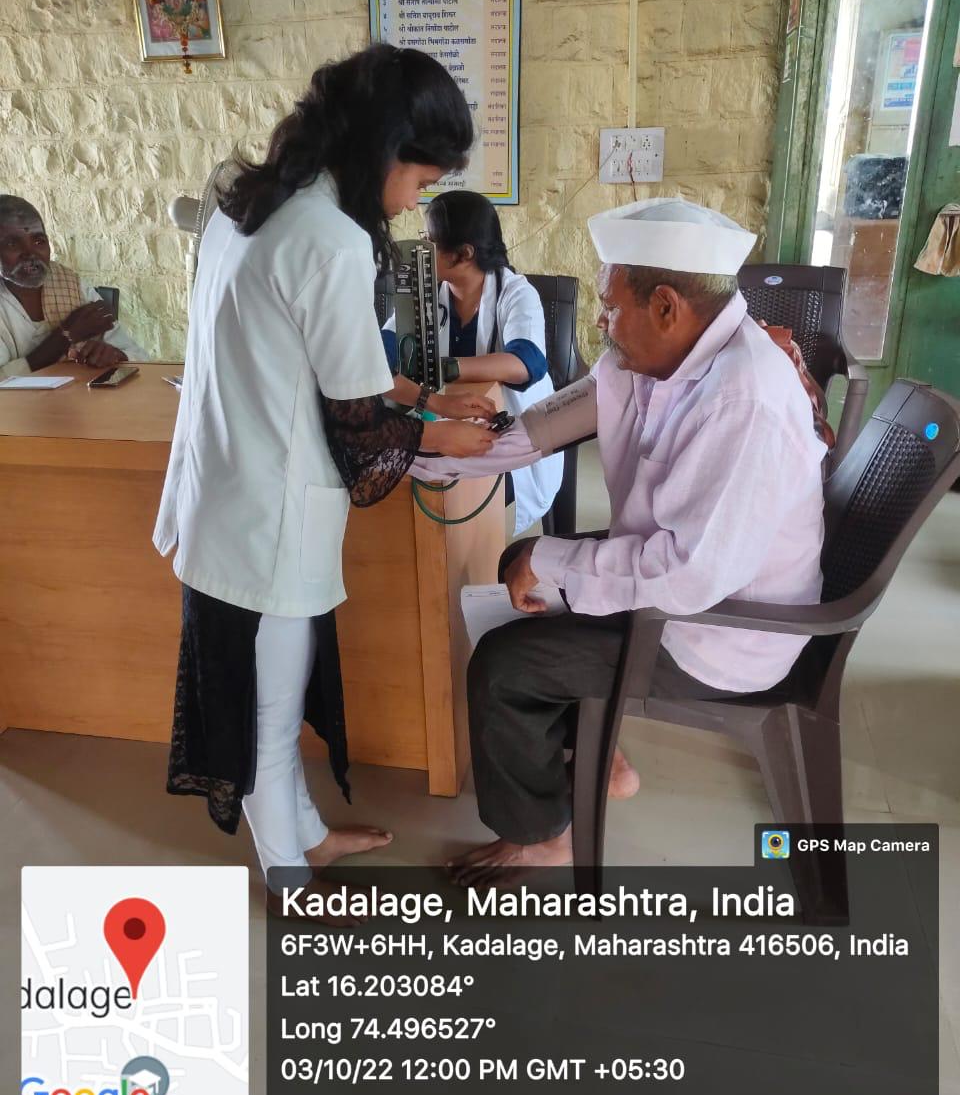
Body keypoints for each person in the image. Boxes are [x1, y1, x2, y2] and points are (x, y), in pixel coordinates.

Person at [152, 45, 495, 902]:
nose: (415, 204)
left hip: (225, 490)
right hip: (266, 515)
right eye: (421, 181)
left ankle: (304, 834)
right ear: (384, 150)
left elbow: (333, 364)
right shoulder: (332, 239)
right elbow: (360, 427)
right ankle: (292, 881)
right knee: (268, 716)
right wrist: (439, 439)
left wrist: (428, 401)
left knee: (277, 687)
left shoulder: (250, 201)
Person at [413, 198, 827, 885]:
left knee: (505, 664)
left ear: (666, 306)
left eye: (610, 307)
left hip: (720, 630)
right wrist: (427, 455)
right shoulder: (658, 358)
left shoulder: (743, 397)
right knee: (521, 580)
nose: (600, 324)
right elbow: (544, 426)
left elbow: (689, 576)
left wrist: (549, 556)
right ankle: (597, 757)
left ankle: (542, 836)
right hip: (683, 582)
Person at [383, 190, 563, 534]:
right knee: (399, 486)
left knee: (458, 502)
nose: (422, 247)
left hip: (508, 431)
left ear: (464, 253)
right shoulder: (425, 293)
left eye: (429, 239)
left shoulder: (516, 293)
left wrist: (441, 367)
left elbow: (527, 363)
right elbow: (385, 348)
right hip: (441, 420)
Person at [0, 195, 147, 377]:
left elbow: (137, 355)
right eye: (12, 244)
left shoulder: (70, 284)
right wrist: (66, 335)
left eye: (39, 241)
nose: (30, 254)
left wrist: (115, 355)